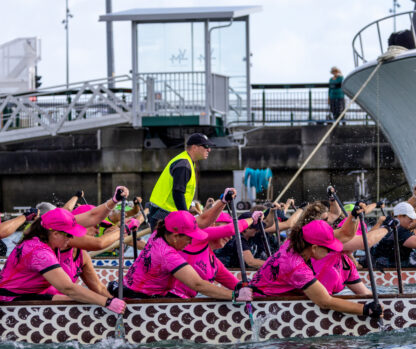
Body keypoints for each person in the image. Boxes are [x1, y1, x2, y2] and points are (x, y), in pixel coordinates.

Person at [0, 208, 126, 314]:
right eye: (69, 235)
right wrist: (107, 302)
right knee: (78, 300)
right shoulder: (41, 253)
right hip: (9, 301)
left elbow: (91, 216)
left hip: (26, 296)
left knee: (81, 299)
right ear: (55, 234)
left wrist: (113, 201)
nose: (72, 238)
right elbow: (68, 288)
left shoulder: (44, 241)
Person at [248, 220, 382, 318]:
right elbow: (325, 302)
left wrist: (353, 217)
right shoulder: (296, 267)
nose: (331, 252)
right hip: (260, 308)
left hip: (259, 296)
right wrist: (365, 310)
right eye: (329, 249)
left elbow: (343, 234)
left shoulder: (293, 242)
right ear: (314, 248)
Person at [114, 211, 248, 301]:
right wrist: (235, 295)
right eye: (189, 238)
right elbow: (198, 285)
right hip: (138, 300)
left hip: (125, 290)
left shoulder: (157, 235)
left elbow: (202, 220)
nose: (191, 242)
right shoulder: (168, 255)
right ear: (175, 236)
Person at [148, 133, 215, 230]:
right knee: (162, 244)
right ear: (194, 147)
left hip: (169, 212)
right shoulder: (184, 164)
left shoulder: (187, 161)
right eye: (206, 146)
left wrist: (189, 208)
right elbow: (178, 193)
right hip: (163, 213)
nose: (209, 149)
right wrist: (186, 216)